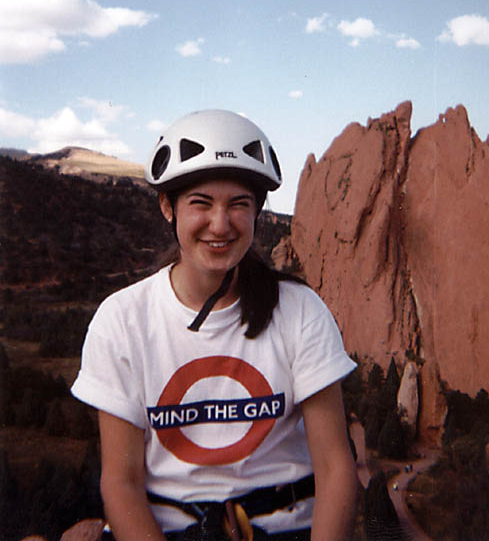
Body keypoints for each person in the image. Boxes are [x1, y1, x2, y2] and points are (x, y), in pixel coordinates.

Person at [72, 109, 358, 541]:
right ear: (168, 207)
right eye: (200, 203)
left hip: (286, 527)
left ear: (258, 210)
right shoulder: (123, 320)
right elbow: (121, 482)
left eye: (238, 204)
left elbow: (336, 467)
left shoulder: (299, 310)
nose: (220, 224)